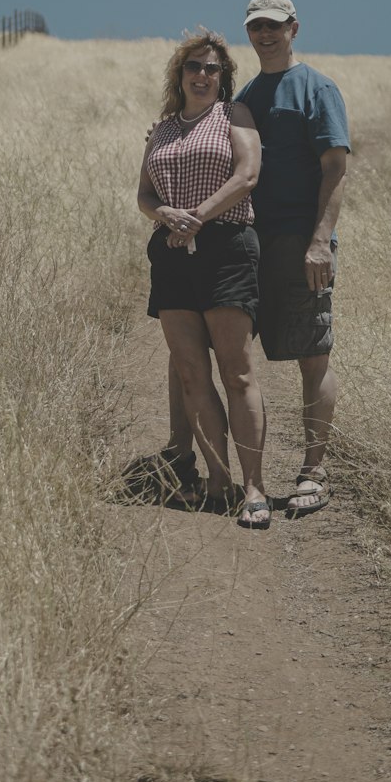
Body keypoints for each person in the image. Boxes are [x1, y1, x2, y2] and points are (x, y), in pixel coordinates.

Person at [157, 0, 350, 517]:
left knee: (312, 351)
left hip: (297, 240)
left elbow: (334, 166)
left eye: (275, 26)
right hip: (242, 244)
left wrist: (319, 239)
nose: (265, 34)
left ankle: (313, 470)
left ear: (294, 29)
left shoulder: (316, 87)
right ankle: (181, 459)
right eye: (256, 27)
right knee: (195, 356)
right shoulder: (242, 96)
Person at [137, 29, 272, 529]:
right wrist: (166, 214)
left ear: (224, 77)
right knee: (191, 371)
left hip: (227, 248)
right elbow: (144, 194)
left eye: (212, 68)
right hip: (171, 253)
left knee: (237, 372)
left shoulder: (235, 116)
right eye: (193, 66)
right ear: (180, 74)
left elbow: (247, 175)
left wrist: (198, 215)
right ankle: (218, 481)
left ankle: (254, 486)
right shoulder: (163, 129)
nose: (202, 75)